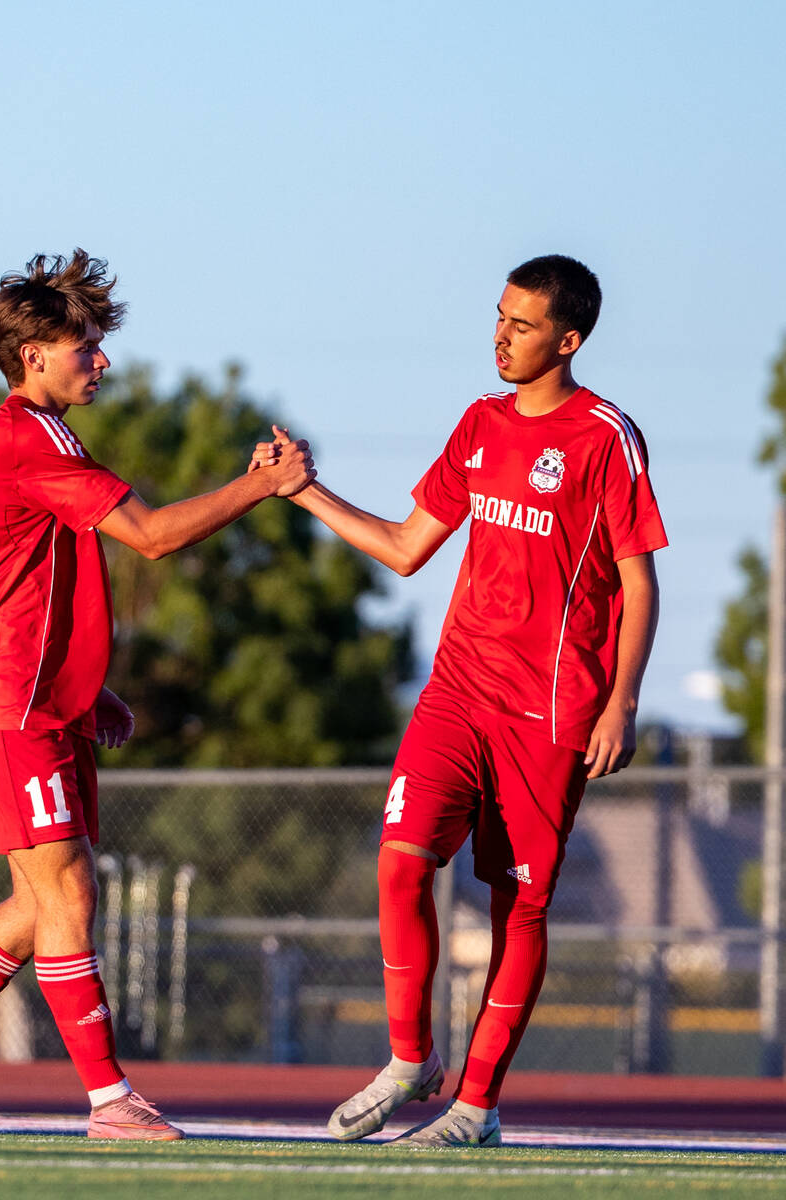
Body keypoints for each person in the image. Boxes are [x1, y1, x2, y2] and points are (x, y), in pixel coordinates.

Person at [0, 249, 314, 1139]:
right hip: (6, 704)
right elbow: (146, 536)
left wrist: (84, 684)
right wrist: (261, 485)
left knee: (42, 905)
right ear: (34, 354)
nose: (100, 361)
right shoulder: (29, 436)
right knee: (66, 893)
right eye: (86, 347)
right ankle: (110, 1100)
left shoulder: (39, 435)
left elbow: (28, 575)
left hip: (34, 698)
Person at [262, 255, 665, 1147]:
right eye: (497, 317)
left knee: (515, 907)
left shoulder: (605, 437)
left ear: (568, 340)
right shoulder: (478, 425)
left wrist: (620, 702)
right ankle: (411, 1059)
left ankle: (475, 1106)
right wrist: (304, 491)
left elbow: (639, 586)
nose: (500, 336)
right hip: (456, 693)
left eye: (521, 326)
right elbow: (408, 547)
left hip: (551, 713)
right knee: (401, 858)